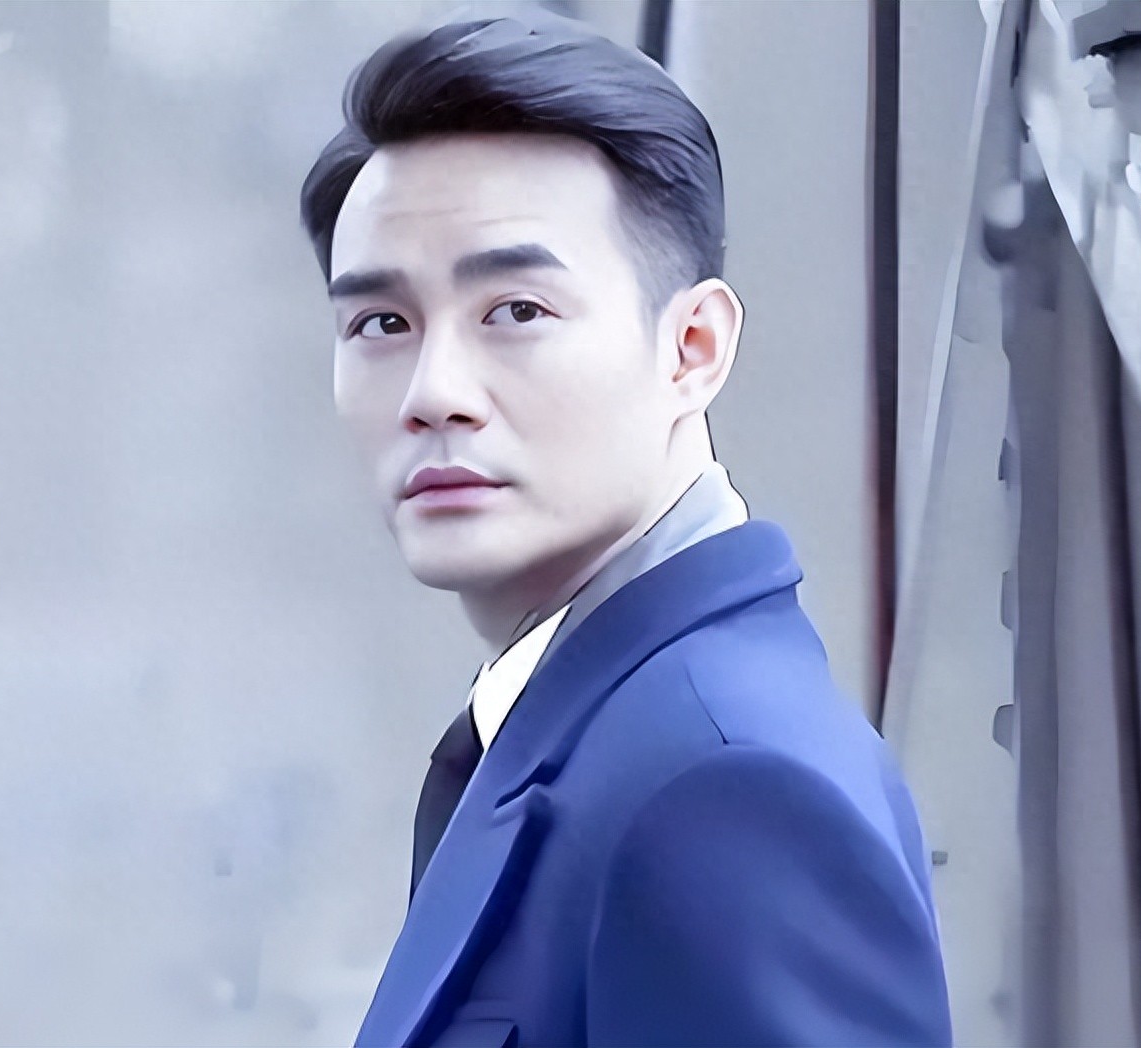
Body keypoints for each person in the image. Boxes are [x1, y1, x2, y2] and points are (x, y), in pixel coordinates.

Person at [301, 10, 952, 1047]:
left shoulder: (721, 787)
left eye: (516, 311)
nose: (434, 393)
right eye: (382, 323)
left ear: (693, 347)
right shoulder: (594, 728)